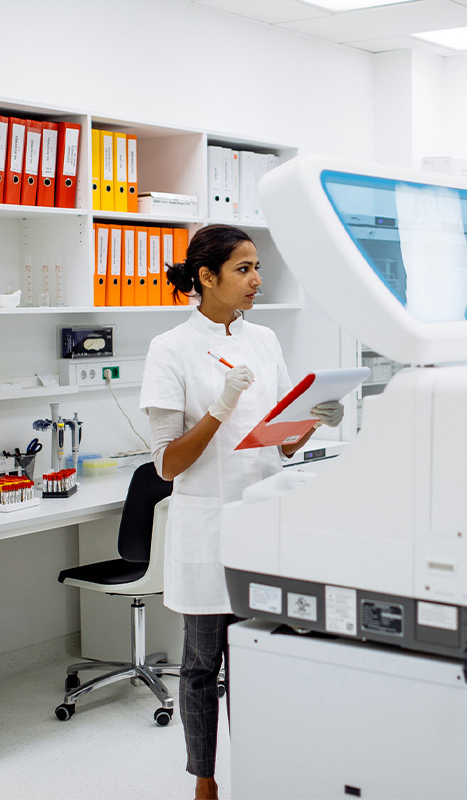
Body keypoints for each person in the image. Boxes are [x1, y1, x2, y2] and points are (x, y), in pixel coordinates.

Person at [138, 224, 343, 800]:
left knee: (264, 656)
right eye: (244, 269)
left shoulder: (266, 341)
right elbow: (167, 465)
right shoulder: (170, 349)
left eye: (257, 268)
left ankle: (262, 769)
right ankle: (204, 781)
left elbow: (277, 444)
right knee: (203, 666)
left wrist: (311, 420)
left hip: (262, 523)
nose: (257, 279)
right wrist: (219, 408)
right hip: (207, 528)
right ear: (207, 276)